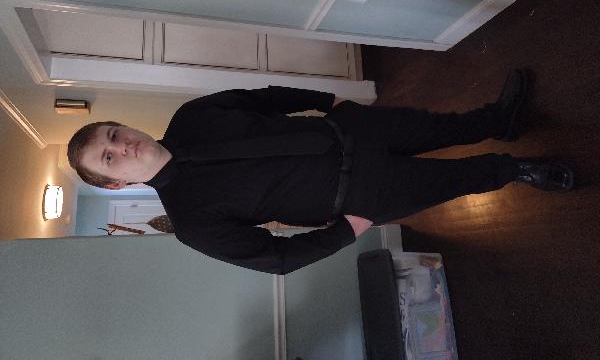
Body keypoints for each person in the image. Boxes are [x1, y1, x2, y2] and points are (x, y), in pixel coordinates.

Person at [67, 69, 574, 274]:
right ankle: (517, 170)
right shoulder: (191, 222)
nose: (122, 145)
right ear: (116, 183)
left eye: (113, 133)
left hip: (351, 131)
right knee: (456, 180)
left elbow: (262, 98)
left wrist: (327, 100)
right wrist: (344, 233)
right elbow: (274, 258)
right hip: (359, 194)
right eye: (109, 157)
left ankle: (501, 121)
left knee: (441, 127)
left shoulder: (192, 116)